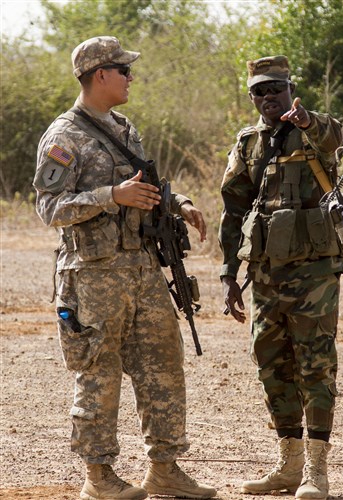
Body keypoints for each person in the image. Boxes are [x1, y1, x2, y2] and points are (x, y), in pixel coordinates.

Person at [33, 36, 217, 500]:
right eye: (124, 70)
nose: (131, 78)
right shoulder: (64, 136)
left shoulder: (124, 127)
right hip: (92, 274)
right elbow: (49, 208)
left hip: (141, 268)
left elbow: (143, 188)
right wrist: (108, 197)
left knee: (164, 365)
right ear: (100, 75)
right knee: (99, 371)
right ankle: (98, 477)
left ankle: (165, 468)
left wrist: (179, 204)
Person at [219, 56, 343, 500]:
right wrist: (228, 274)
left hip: (313, 272)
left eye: (276, 88)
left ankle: (317, 470)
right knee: (272, 363)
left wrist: (307, 120)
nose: (269, 97)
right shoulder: (249, 142)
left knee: (315, 364)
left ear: (291, 88)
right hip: (267, 272)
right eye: (259, 91)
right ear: (251, 96)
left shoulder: (317, 130)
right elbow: (234, 210)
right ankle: (289, 464)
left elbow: (337, 140)